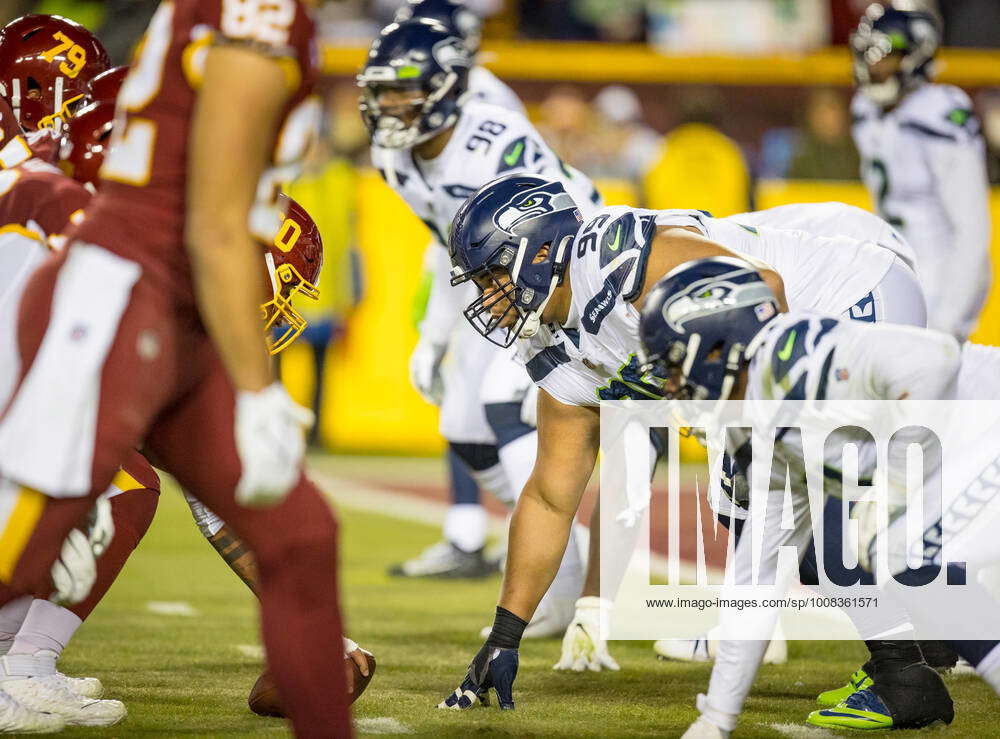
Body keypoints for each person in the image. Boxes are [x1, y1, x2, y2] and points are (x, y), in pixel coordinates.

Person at [437, 174, 927, 710]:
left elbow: (761, 290)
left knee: (778, 498)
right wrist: (504, 638)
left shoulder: (615, 261)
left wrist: (749, 419)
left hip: (850, 286)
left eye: (492, 276)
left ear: (539, 251)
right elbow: (551, 497)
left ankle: (904, 678)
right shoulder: (556, 345)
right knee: (763, 503)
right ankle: (932, 642)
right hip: (817, 308)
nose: (488, 297)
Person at [0, 2, 352, 735]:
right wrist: (257, 391)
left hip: (166, 293)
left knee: (302, 535)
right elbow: (217, 219)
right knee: (36, 529)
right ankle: (15, 665)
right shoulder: (258, 16)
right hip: (124, 289)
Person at [636, 257, 998, 736]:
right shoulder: (761, 428)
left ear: (716, 345)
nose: (671, 386)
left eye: (675, 364)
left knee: (897, 545)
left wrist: (891, 490)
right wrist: (715, 720)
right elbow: (756, 584)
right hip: (970, 454)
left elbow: (937, 362)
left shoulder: (794, 358)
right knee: (893, 547)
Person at [359, 18, 600, 637]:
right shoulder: (395, 155)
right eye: (381, 91)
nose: (388, 106)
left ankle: (561, 581)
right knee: (462, 427)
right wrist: (436, 337)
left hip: (562, 278)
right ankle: (560, 544)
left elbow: (563, 224)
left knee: (503, 405)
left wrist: (556, 325)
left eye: (402, 91)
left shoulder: (495, 138)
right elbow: (450, 246)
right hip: (496, 281)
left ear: (444, 87)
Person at [388, 0, 525, 580]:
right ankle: (492, 532)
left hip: (511, 263)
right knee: (462, 412)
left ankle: (548, 544)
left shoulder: (488, 110)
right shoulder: (396, 131)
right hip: (456, 255)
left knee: (495, 406)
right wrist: (434, 330)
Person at [851, 2, 991, 340]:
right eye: (867, 53)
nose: (875, 65)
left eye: (885, 54)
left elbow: (972, 233)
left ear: (917, 55)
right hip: (892, 277)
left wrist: (949, 319)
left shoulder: (940, 113)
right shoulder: (865, 110)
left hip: (940, 284)